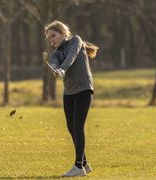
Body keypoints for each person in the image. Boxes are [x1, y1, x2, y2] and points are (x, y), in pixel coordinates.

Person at [44, 20, 96, 177]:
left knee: (78, 127)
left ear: (62, 33)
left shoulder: (76, 40)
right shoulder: (55, 54)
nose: (51, 40)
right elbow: (54, 62)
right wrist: (56, 69)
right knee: (70, 127)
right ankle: (85, 164)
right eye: (49, 38)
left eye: (53, 36)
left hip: (83, 90)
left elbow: (71, 57)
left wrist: (62, 69)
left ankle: (78, 166)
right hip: (69, 93)